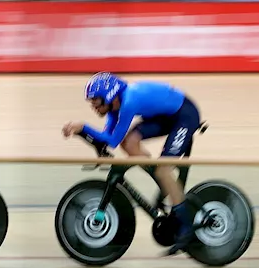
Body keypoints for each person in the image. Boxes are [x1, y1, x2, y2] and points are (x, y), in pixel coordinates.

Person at [62, 72, 201, 255]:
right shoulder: (115, 107)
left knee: (163, 170)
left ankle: (186, 226)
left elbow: (111, 140)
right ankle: (164, 185)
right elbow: (109, 138)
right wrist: (84, 134)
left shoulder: (128, 103)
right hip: (167, 116)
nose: (93, 106)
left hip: (185, 115)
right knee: (129, 143)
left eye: (95, 101)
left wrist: (83, 128)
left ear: (109, 96)